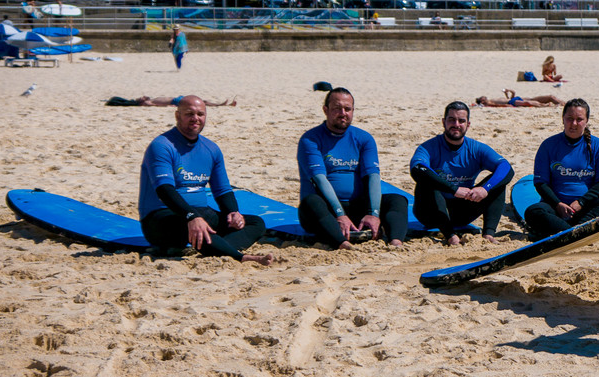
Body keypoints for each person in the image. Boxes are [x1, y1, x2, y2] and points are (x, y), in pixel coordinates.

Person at [138, 96, 272, 264]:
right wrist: (191, 216)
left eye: (200, 114)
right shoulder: (162, 145)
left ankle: (220, 248)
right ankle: (239, 257)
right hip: (162, 219)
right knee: (194, 224)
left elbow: (222, 189)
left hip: (200, 214)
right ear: (177, 116)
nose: (196, 118)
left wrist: (233, 212)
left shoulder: (211, 149)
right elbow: (164, 190)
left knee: (254, 222)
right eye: (189, 114)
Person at [297, 87, 408, 249]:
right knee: (311, 202)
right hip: (326, 211)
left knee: (397, 200)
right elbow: (319, 180)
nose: (343, 113)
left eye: (347, 109)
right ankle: (344, 244)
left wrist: (373, 213)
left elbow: (373, 177)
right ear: (325, 110)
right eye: (337, 108)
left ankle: (396, 242)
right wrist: (340, 214)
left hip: (357, 207)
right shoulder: (310, 140)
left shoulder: (364, 138)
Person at [410, 101, 514, 245]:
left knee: (497, 183)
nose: (456, 124)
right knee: (427, 182)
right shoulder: (428, 147)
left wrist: (485, 188)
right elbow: (417, 170)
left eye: (461, 121)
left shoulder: (475, 148)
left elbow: (506, 168)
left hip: (461, 212)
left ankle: (489, 234)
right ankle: (450, 236)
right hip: (430, 213)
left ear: (468, 125)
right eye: (451, 119)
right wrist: (454, 190)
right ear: (443, 122)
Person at [523, 98, 599, 239]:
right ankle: (578, 233)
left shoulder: (598, 146)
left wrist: (581, 202)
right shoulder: (548, 145)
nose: (574, 124)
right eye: (569, 119)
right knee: (533, 211)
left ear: (586, 121)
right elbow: (541, 183)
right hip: (555, 209)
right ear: (563, 119)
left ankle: (571, 232)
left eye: (579, 119)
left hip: (586, 209)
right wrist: (558, 204)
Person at [474, 89, 565, 108]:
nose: (484, 96)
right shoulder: (490, 103)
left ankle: (563, 103)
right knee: (530, 103)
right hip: (514, 102)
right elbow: (502, 104)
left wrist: (508, 93)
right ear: (482, 100)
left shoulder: (491, 100)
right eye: (482, 97)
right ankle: (545, 106)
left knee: (549, 97)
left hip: (516, 99)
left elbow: (509, 98)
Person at [107, 95, 236, 107]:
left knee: (203, 101)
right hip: (176, 102)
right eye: (141, 98)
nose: (143, 97)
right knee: (203, 102)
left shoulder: (148, 100)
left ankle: (221, 104)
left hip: (177, 99)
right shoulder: (147, 103)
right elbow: (157, 105)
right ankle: (221, 105)